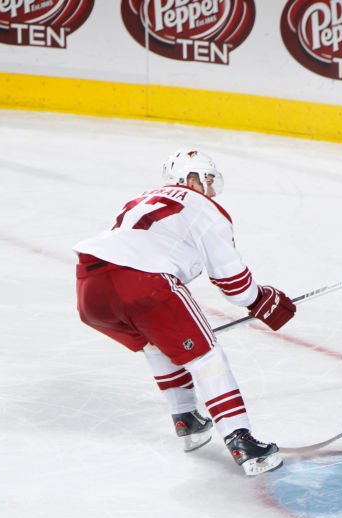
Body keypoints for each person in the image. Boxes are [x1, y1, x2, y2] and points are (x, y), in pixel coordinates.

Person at [74, 149, 294, 476]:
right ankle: (242, 442)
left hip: (90, 289)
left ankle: (187, 419)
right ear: (190, 179)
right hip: (144, 283)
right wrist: (260, 298)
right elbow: (231, 281)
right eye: (206, 179)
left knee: (155, 341)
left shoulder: (142, 198)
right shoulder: (204, 207)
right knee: (205, 356)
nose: (210, 190)